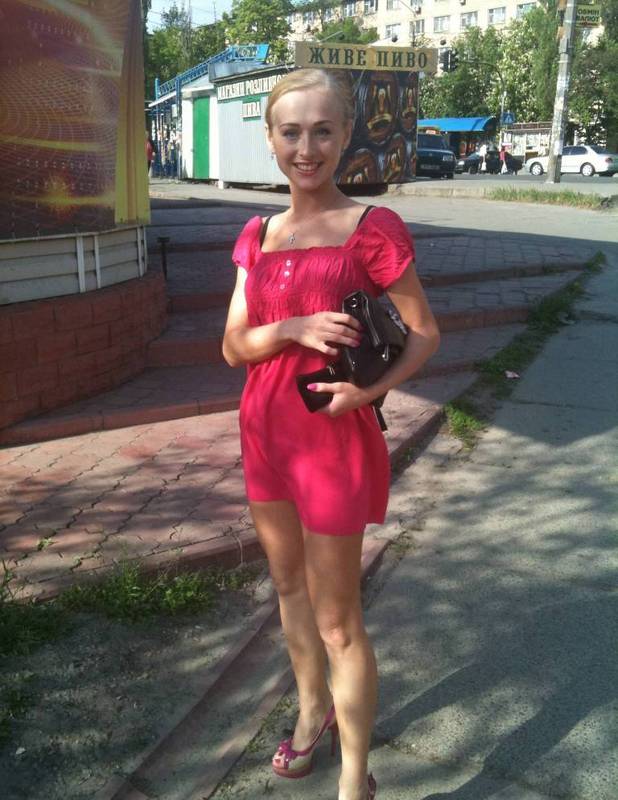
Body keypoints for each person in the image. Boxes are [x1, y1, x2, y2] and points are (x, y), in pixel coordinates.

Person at [222, 68, 440, 800]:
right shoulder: (256, 235)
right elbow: (233, 346)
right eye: (291, 132)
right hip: (265, 434)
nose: (306, 148)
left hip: (331, 437)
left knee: (338, 619)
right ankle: (312, 713)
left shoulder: (372, 228)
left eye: (322, 131)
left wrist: (368, 392)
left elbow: (424, 333)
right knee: (288, 587)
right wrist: (292, 327)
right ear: (270, 139)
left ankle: (354, 778)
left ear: (346, 136)